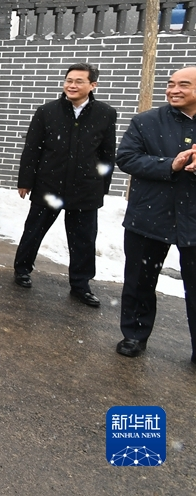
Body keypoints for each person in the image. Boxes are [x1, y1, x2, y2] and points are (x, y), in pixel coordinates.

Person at [13, 63, 117, 308]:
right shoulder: (47, 111)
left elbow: (107, 153)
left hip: (86, 188)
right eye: (69, 80)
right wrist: (25, 181)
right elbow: (32, 149)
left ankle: (81, 284)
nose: (72, 85)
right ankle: (22, 269)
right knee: (34, 231)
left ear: (93, 85)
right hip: (49, 184)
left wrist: (102, 187)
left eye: (79, 81)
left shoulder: (105, 113)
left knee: (83, 240)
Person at [115, 66, 196, 361]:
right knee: (140, 280)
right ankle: (134, 335)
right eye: (170, 84)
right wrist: (169, 165)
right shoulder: (146, 121)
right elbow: (126, 158)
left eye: (183, 85)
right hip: (150, 214)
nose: (173, 90)